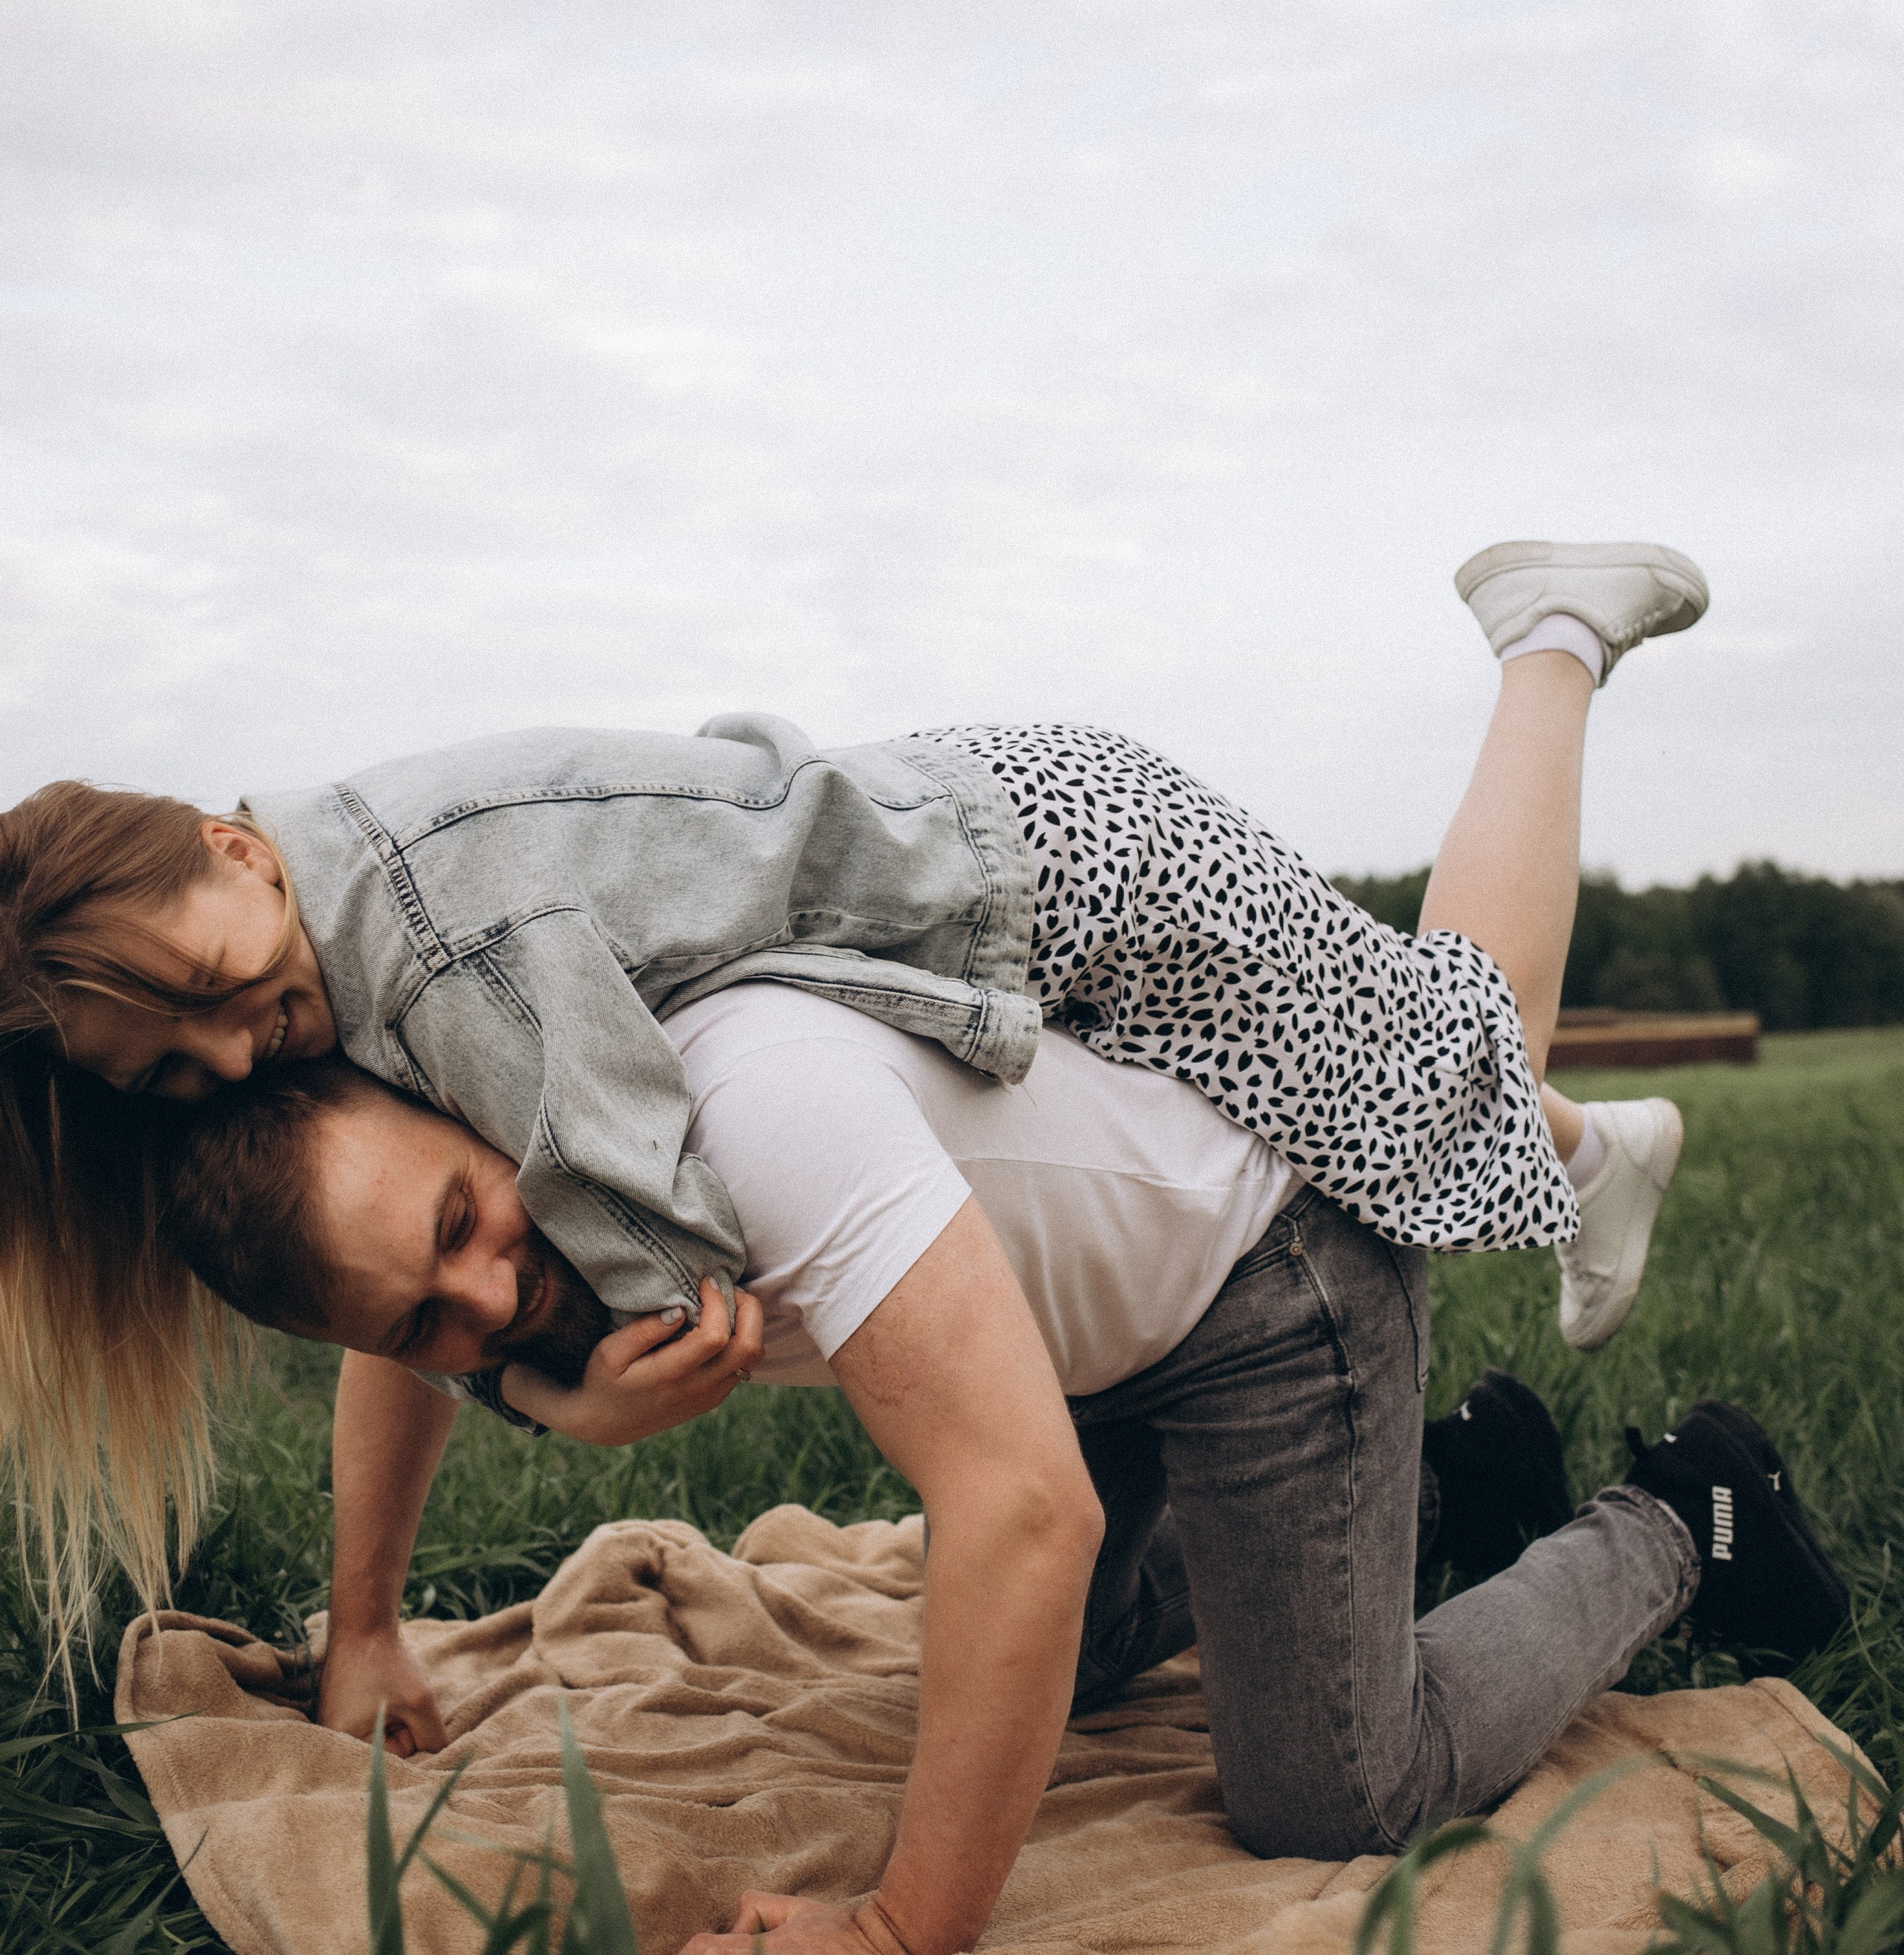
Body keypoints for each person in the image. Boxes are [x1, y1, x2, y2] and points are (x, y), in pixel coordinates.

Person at [3, 541, 1697, 1677]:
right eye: (169, 1071)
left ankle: (1549, 637)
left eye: (216, 990)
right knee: (1395, 1090)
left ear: (229, 844)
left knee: (1443, 1054)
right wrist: (362, 1620)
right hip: (969, 852)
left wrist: (572, 1402)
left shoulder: (439, 949)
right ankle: (1572, 1172)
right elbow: (411, 1276)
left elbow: (653, 1243)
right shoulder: (338, 923)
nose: (233, 1054)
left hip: (1058, 862)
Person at [154, 1001, 1847, 1955]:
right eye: (418, 1306)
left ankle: (1676, 1512)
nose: (487, 1303)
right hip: (1076, 1347)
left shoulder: (729, 1108)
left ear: (463, 1090)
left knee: (1331, 1789)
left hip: (1269, 1279)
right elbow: (403, 1334)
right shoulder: (485, 1188)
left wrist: (901, 1930)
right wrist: (363, 1625)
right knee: (1059, 1662)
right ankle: (1440, 1479)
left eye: (464, 1223)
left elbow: (1023, 1519)